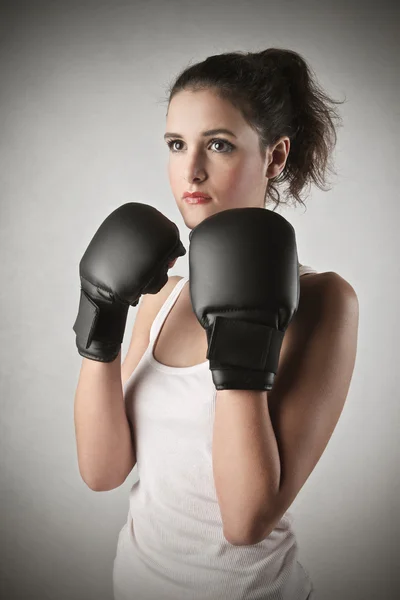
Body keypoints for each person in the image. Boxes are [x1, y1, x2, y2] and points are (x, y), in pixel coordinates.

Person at [73, 48, 359, 600]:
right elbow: (103, 471)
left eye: (219, 144)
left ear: (274, 158)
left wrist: (244, 338)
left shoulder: (323, 301)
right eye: (177, 145)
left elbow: (245, 521)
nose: (191, 169)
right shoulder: (163, 293)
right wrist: (99, 321)